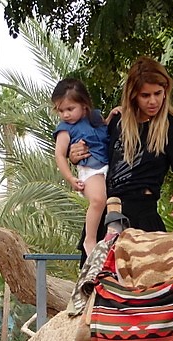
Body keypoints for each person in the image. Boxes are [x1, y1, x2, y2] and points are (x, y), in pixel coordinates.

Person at [70, 56, 173, 261]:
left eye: (158, 93)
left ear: (165, 91)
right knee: (96, 280)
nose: (153, 101)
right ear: (133, 94)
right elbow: (95, 157)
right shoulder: (116, 122)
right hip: (106, 216)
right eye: (145, 95)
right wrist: (75, 155)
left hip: (144, 218)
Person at [52, 77, 114, 256]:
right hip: (90, 169)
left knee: (108, 202)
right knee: (98, 200)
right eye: (61, 110)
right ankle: (90, 239)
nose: (65, 115)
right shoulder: (65, 129)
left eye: (70, 109)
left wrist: (112, 116)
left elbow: (105, 130)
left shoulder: (95, 117)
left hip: (106, 167)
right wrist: (70, 178)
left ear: (84, 105)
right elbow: (59, 155)